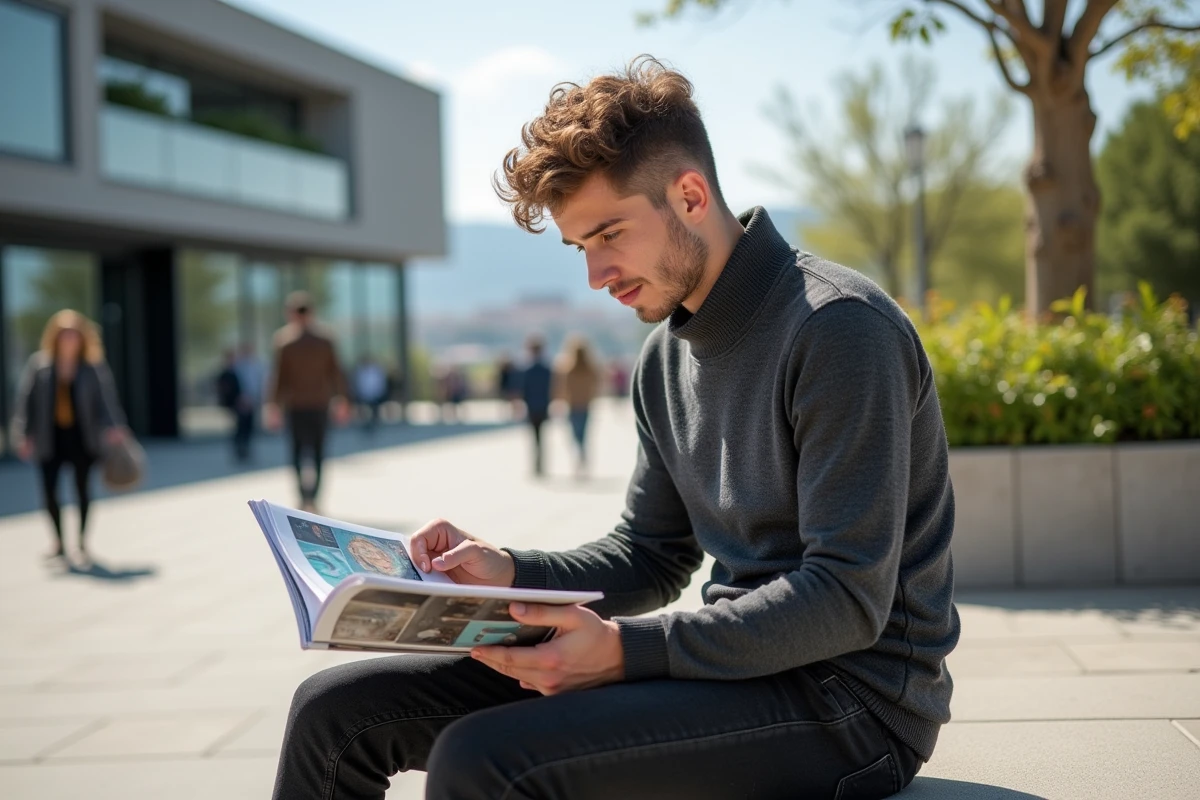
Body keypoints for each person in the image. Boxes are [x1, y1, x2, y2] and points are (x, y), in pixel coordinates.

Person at [272, 57, 957, 800]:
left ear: (690, 195)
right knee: (333, 713)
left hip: (852, 703)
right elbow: (651, 556)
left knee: (482, 759)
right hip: (735, 668)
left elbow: (847, 598)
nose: (596, 274)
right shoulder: (665, 355)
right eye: (579, 248)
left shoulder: (838, 330)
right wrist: (506, 570)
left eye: (609, 234)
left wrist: (625, 652)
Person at [13, 310, 129, 562]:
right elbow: (25, 403)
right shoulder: (40, 364)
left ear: (82, 337)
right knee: (49, 491)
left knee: (82, 490)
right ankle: (59, 542)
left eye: (73, 334)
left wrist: (115, 427)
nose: (68, 339)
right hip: (50, 437)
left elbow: (106, 402)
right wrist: (23, 435)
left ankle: (82, 542)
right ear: (54, 336)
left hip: (82, 437)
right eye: (64, 334)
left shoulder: (92, 366)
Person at [264, 291, 350, 513]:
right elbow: (336, 373)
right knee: (318, 453)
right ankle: (312, 497)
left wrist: (273, 406)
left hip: (297, 406)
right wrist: (342, 399)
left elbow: (278, 377)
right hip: (318, 404)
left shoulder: (285, 341)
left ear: (291, 314)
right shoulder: (324, 339)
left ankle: (305, 497)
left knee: (298, 453)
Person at [555, 335, 601, 477]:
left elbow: (562, 388)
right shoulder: (591, 368)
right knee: (584, 435)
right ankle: (582, 456)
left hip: (573, 405)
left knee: (575, 435)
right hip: (585, 405)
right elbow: (596, 386)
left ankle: (579, 458)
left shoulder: (567, 368)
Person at [520, 336, 552, 477]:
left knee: (536, 438)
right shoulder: (546, 369)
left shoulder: (528, 370)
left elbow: (523, 390)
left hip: (533, 407)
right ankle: (540, 463)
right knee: (541, 437)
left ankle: (537, 464)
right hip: (543, 406)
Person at [232, 342, 265, 460]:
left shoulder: (256, 365)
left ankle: (247, 449)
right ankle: (240, 449)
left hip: (253, 399)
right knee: (241, 425)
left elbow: (259, 382)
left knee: (250, 425)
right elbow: (237, 383)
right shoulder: (238, 366)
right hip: (242, 399)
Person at [215, 349, 248, 463]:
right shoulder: (225, 374)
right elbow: (224, 390)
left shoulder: (237, 372)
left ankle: (243, 451)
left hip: (240, 403)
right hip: (232, 404)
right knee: (237, 428)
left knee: (243, 427)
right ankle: (238, 451)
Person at [353, 355, 388, 432]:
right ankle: (365, 424)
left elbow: (379, 383)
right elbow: (359, 383)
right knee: (363, 411)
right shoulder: (360, 371)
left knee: (374, 410)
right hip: (364, 395)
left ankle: (374, 424)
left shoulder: (376, 370)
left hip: (374, 394)